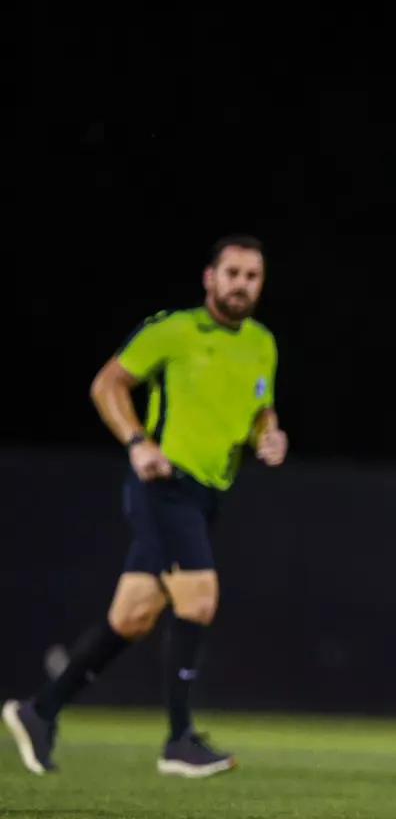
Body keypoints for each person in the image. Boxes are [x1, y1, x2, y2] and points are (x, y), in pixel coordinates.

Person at [4, 235, 286, 778]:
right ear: (210, 277)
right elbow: (107, 383)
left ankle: (40, 711)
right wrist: (137, 442)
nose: (241, 284)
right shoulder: (173, 330)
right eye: (232, 273)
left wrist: (268, 435)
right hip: (164, 484)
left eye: (252, 276)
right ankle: (178, 740)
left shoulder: (262, 343)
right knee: (199, 597)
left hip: (207, 493)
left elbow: (260, 411)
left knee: (130, 617)